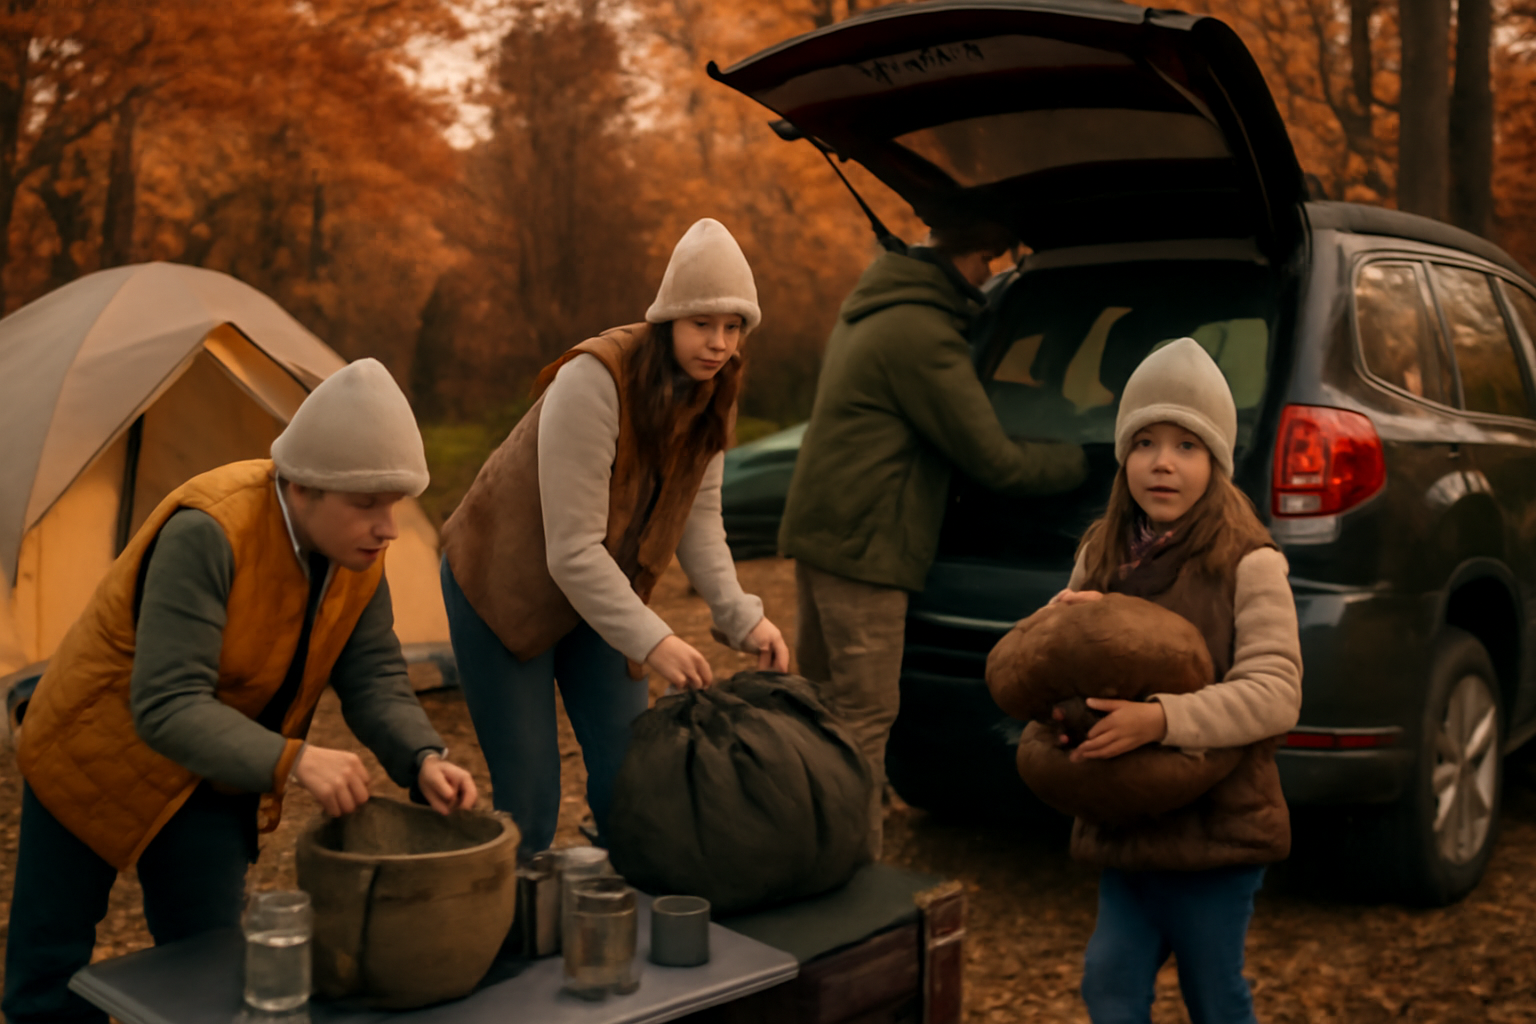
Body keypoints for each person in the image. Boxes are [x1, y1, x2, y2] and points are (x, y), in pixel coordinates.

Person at [4, 358, 478, 1024]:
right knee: (49, 976)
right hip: (90, 755)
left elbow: (374, 677)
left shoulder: (358, 560)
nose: (389, 527)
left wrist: (423, 757)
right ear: (303, 488)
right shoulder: (210, 531)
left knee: (210, 969)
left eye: (394, 504)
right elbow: (166, 704)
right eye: (367, 504)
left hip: (215, 769)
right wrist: (294, 760)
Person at [439, 217, 790, 857]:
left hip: (603, 594)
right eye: (702, 323)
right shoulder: (594, 381)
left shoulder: (715, 390)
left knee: (630, 778)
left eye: (733, 327)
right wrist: (657, 641)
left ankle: (617, 926)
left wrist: (741, 615)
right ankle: (511, 940)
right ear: (668, 320)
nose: (718, 343)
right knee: (532, 797)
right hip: (503, 585)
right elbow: (571, 551)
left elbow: (698, 517)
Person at [778, 217, 1089, 857]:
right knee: (863, 717)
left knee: (819, 707)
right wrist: (1086, 460)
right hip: (867, 546)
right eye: (988, 264)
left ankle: (802, 843)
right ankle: (850, 872)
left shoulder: (876, 304)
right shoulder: (921, 333)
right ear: (972, 255)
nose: (988, 279)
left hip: (822, 532)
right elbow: (994, 460)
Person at [1047, 338, 1302, 1023]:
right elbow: (1048, 661)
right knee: (1109, 982)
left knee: (1213, 991)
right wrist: (1059, 637)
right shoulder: (1101, 552)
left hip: (1218, 831)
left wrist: (1160, 719)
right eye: (1146, 442)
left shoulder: (1249, 563)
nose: (1163, 462)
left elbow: (1277, 690)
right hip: (1128, 826)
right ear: (1123, 455)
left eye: (1188, 445)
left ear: (1217, 462)